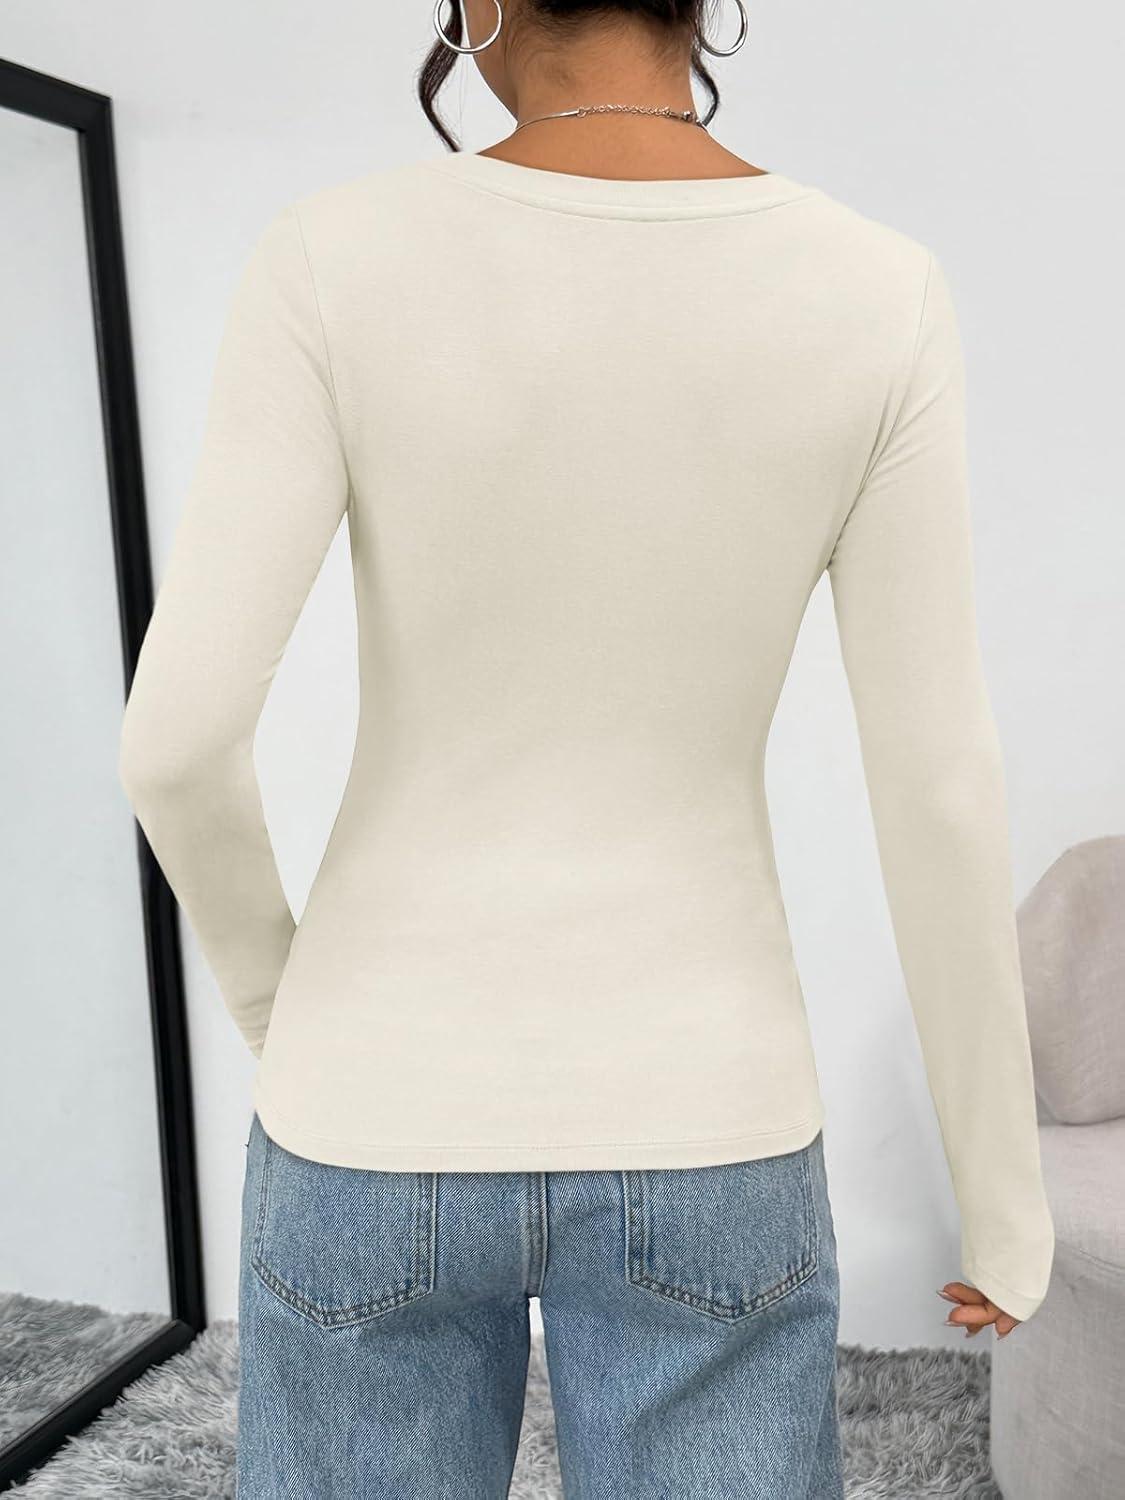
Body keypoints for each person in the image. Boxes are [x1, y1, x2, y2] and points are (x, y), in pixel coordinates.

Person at [116, 1, 1056, 1495]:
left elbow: (174, 742)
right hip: (707, 1110)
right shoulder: (878, 292)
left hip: (373, 1099)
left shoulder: (330, 256)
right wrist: (1003, 1205)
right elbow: (935, 783)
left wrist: (290, 1015)